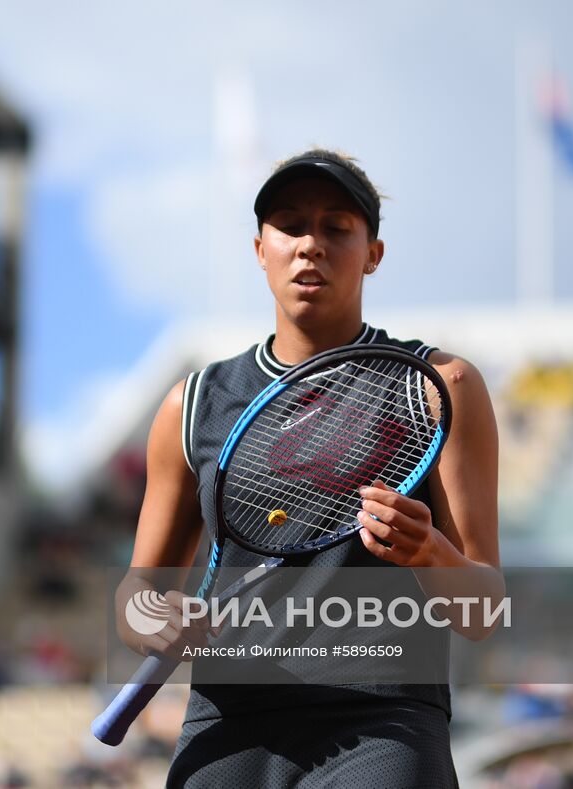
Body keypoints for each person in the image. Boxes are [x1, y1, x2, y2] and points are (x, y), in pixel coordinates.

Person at [117, 149, 501, 787]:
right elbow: (134, 598)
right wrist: (153, 620)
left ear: (373, 253)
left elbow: (483, 611)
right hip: (225, 730)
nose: (310, 245)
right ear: (260, 247)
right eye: (290, 225)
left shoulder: (440, 386)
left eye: (336, 228)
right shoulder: (191, 406)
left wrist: (429, 551)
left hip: (382, 728)